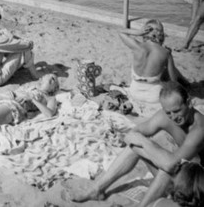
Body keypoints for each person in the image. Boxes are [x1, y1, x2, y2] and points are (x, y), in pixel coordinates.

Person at [69, 82, 204, 207]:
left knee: (166, 168)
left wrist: (144, 141)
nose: (173, 117)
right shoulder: (165, 116)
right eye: (168, 112)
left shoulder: (199, 129)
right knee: (135, 147)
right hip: (181, 176)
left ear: (189, 103)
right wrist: (140, 142)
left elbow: (171, 164)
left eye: (177, 111)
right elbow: (132, 134)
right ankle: (96, 189)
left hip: (196, 186)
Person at [119, 20, 190, 106]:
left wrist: (138, 32)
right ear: (161, 35)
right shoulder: (165, 53)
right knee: (167, 70)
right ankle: (186, 83)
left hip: (134, 93)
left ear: (145, 32)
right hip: (154, 97)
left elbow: (120, 32)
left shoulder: (137, 46)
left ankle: (186, 82)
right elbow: (173, 81)